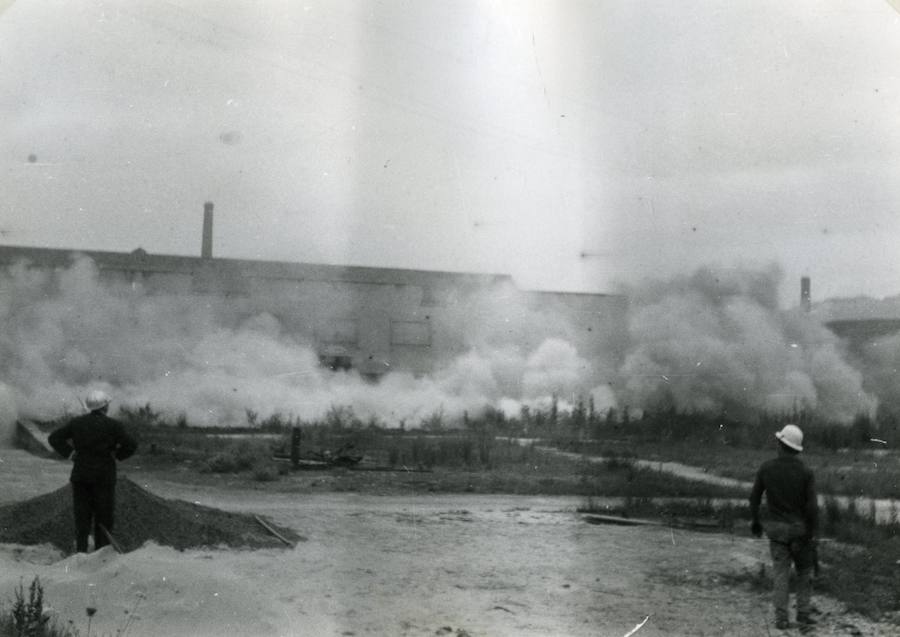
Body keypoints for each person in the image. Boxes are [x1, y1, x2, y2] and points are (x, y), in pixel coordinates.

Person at [48, 390, 137, 552]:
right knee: (104, 518)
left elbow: (54, 438)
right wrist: (117, 456)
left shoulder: (76, 423)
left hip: (81, 475)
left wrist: (71, 454)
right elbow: (131, 445)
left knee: (82, 518)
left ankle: (81, 553)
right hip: (104, 477)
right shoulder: (114, 425)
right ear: (105, 407)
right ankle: (101, 553)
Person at [749, 424, 818, 631]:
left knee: (781, 574)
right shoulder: (806, 472)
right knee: (805, 572)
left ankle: (781, 619)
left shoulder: (766, 468)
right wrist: (811, 534)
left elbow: (754, 498)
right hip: (799, 531)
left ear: (780, 444)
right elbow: (812, 507)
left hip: (776, 531)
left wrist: (756, 521)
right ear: (797, 449)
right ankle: (803, 616)